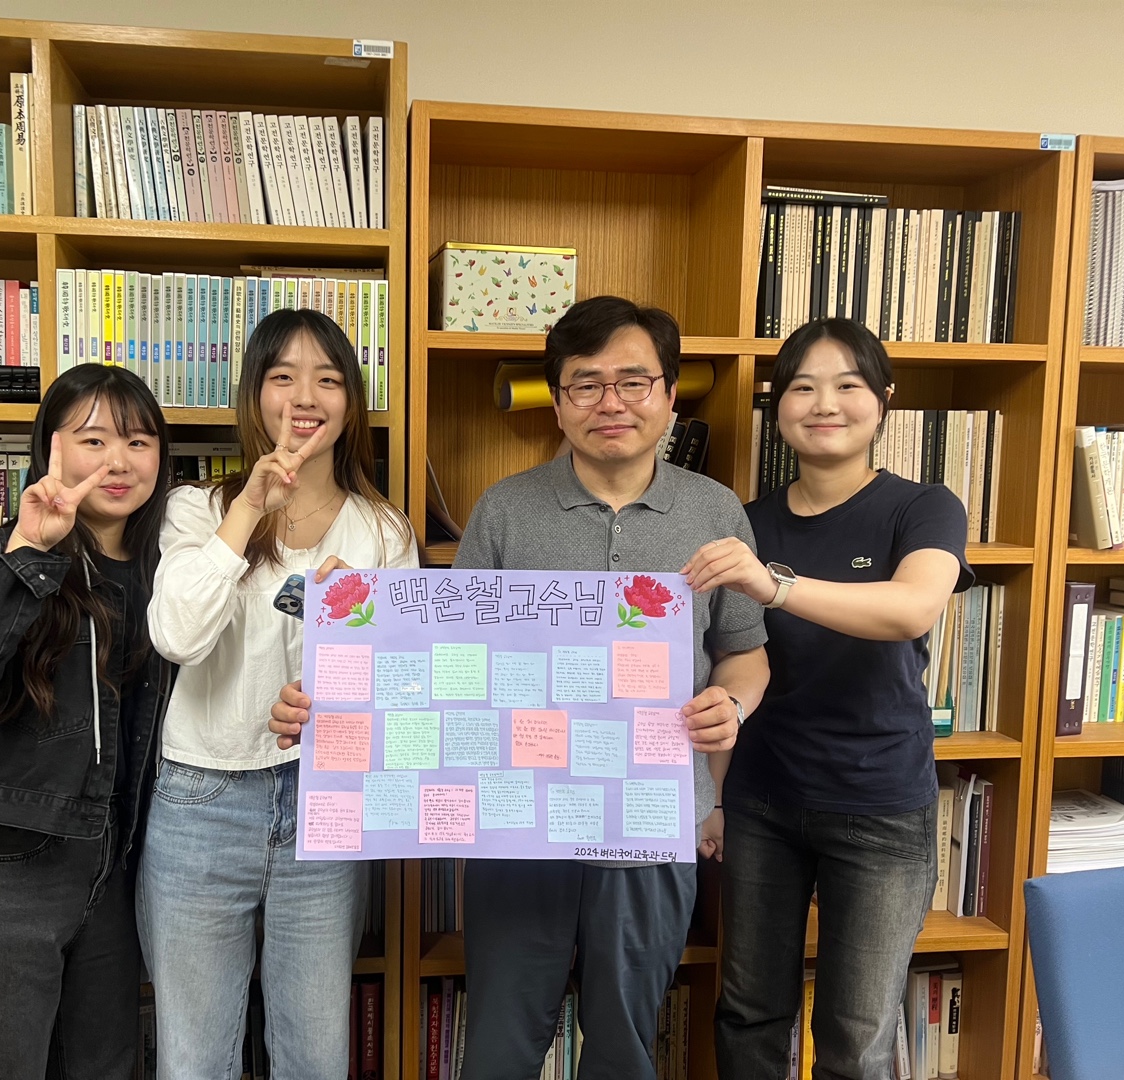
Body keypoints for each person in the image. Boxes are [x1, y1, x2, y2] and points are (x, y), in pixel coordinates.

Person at [272, 294, 770, 1080]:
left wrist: (731, 705)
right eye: (586, 384)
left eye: (633, 382)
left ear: (671, 395)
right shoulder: (506, 509)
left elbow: (745, 653)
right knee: (501, 1044)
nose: (611, 402)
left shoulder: (716, 511)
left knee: (626, 1044)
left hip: (650, 822)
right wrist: (342, 671)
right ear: (558, 402)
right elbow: (448, 660)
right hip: (516, 827)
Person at [690, 317, 971, 1080]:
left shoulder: (924, 507)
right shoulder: (748, 522)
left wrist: (773, 585)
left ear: (883, 400)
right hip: (762, 801)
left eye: (848, 385)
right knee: (748, 1013)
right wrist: (712, 798)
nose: (825, 404)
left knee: (856, 1035)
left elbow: (911, 609)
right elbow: (728, 663)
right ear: (778, 406)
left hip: (880, 804)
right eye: (803, 387)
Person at [140, 308, 417, 1080]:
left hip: (325, 806)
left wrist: (348, 669)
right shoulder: (196, 508)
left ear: (351, 401)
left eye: (327, 379)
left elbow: (405, 692)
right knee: (194, 1058)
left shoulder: (384, 532)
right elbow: (177, 635)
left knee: (315, 1053)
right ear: (255, 395)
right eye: (283, 377)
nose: (305, 397)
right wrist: (248, 509)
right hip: (201, 799)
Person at [0, 363, 172, 1080]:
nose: (118, 461)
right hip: (7, 866)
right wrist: (29, 551)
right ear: (50, 446)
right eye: (93, 440)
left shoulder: (170, 572)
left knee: (106, 1066)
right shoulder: (5, 555)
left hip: (116, 869)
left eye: (139, 442)